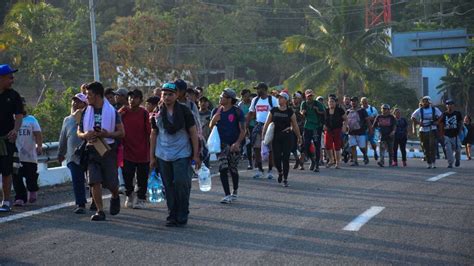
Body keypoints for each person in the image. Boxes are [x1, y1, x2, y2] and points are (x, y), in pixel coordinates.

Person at [150, 82, 200, 227]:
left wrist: (196, 155)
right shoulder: (157, 112)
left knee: (181, 183)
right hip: (163, 154)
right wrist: (152, 157)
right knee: (168, 186)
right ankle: (172, 214)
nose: (167, 97)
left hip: (182, 153)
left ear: (177, 95)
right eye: (164, 94)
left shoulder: (184, 111)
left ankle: (183, 213)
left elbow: (193, 133)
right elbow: (153, 134)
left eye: (170, 94)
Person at [77, 81, 125, 221]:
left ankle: (115, 196)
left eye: (89, 95)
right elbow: (78, 131)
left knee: (111, 183)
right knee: (94, 181)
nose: (87, 98)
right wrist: (84, 135)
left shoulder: (112, 112)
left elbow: (121, 133)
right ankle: (100, 211)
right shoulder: (86, 111)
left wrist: (107, 134)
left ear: (97, 95)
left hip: (107, 150)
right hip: (91, 149)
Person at [209, 88, 245, 203]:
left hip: (234, 144)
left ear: (230, 99)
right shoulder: (216, 110)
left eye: (223, 96)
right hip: (222, 144)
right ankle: (227, 194)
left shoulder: (237, 112)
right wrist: (214, 120)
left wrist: (237, 143)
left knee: (233, 169)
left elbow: (243, 130)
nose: (220, 97)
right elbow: (211, 126)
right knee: (223, 168)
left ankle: (235, 191)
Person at [119, 89, 151, 209]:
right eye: (130, 97)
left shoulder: (144, 113)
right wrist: (119, 115)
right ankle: (130, 195)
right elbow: (115, 124)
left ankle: (141, 199)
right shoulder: (123, 112)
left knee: (142, 178)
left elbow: (149, 132)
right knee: (127, 176)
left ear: (140, 100)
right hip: (127, 151)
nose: (132, 100)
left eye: (135, 98)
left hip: (143, 151)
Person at [263, 92, 302, 187]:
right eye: (279, 98)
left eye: (281, 98)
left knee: (285, 158)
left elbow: (295, 125)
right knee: (276, 158)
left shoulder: (290, 112)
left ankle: (285, 178)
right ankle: (280, 172)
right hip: (276, 137)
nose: (279, 99)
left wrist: (299, 137)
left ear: (286, 100)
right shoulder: (273, 110)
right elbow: (267, 123)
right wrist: (264, 135)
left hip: (287, 137)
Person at [58, 93, 88, 213]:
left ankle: (96, 203)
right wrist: (61, 153)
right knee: (77, 180)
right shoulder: (67, 119)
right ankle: (81, 204)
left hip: (88, 153)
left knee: (93, 180)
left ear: (84, 104)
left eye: (79, 101)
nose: (75, 103)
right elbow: (63, 138)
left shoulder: (89, 117)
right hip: (72, 156)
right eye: (74, 101)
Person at [0, 64, 24, 212]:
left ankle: (6, 201)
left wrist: (15, 130)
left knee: (7, 171)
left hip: (6, 139)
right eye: (10, 77)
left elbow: (19, 116)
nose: (12, 80)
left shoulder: (14, 96)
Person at [12, 98, 42, 206]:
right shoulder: (12, 120)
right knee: (16, 177)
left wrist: (39, 146)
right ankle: (20, 198)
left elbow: (38, 134)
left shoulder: (31, 120)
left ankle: (32, 190)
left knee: (31, 176)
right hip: (16, 155)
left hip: (30, 155)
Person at [246, 82, 279, 179]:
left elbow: (277, 112)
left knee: (270, 149)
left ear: (264, 89)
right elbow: (251, 113)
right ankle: (260, 170)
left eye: (258, 89)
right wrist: (246, 126)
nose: (257, 91)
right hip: (258, 125)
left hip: (269, 126)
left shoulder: (272, 100)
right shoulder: (255, 100)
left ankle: (270, 170)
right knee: (256, 148)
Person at [411, 96, 442, 169]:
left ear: (429, 102)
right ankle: (429, 162)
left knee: (432, 146)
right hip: (423, 130)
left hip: (432, 129)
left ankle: (433, 162)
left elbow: (441, 115)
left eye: (426, 101)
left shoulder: (434, 109)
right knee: (426, 147)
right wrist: (418, 123)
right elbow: (413, 117)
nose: (425, 103)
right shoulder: (419, 110)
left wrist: (437, 122)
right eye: (423, 101)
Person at [300, 89, 326, 172]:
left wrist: (318, 110)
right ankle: (312, 160)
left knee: (317, 145)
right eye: (308, 96)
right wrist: (302, 112)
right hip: (307, 126)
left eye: (311, 96)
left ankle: (317, 165)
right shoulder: (304, 103)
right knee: (306, 144)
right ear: (306, 96)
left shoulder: (317, 103)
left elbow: (324, 112)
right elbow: (301, 111)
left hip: (316, 127)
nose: (310, 97)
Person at [346, 97, 372, 166]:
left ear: (357, 102)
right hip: (351, 132)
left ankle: (365, 155)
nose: (353, 102)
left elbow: (367, 120)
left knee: (362, 147)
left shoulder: (362, 110)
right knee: (353, 146)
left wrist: (370, 129)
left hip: (361, 132)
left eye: (354, 101)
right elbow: (345, 121)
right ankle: (355, 161)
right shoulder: (348, 111)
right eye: (352, 101)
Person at [438, 99, 463, 168]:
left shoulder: (457, 113)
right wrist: (441, 134)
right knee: (448, 150)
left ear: (454, 105)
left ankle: (457, 159)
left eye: (451, 104)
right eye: (448, 104)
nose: (450, 106)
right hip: (447, 135)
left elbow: (460, 122)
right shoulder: (444, 114)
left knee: (458, 149)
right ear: (446, 106)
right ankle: (450, 163)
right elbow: (440, 124)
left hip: (455, 135)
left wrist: (460, 131)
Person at [324, 96, 347, 169]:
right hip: (328, 130)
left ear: (335, 103)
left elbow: (346, 119)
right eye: (329, 102)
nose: (331, 103)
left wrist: (344, 127)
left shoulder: (340, 110)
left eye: (332, 102)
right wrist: (324, 126)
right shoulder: (326, 110)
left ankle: (338, 163)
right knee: (327, 145)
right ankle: (331, 160)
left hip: (337, 130)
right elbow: (322, 120)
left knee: (337, 147)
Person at [238, 89, 254, 170]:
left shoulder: (252, 103)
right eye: (245, 96)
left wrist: (248, 117)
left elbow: (254, 114)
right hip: (243, 127)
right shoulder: (240, 105)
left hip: (252, 125)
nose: (246, 97)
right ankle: (249, 162)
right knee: (244, 144)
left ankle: (255, 161)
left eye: (248, 95)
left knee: (252, 144)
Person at [361, 97, 379, 161]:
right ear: (361, 102)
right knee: (364, 142)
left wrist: (368, 118)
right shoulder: (360, 109)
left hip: (372, 128)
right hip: (363, 128)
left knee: (372, 143)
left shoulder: (372, 109)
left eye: (365, 101)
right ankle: (365, 156)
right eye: (363, 102)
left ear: (367, 102)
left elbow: (376, 117)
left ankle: (375, 152)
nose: (364, 103)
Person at [291, 92, 305, 170]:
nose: (294, 100)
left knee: (302, 146)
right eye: (293, 98)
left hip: (302, 128)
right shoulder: (289, 107)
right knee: (292, 146)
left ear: (299, 99)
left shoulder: (302, 106)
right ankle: (297, 159)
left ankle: (301, 162)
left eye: (296, 98)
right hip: (293, 128)